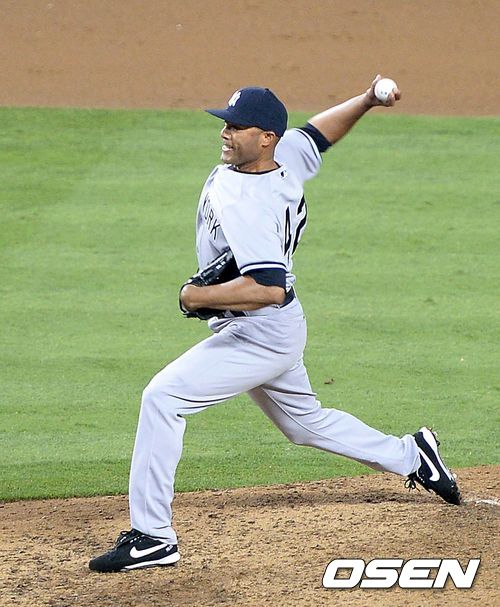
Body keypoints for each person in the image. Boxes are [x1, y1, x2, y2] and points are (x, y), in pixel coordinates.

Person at [89, 75, 461, 573]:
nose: (226, 133)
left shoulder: (248, 202)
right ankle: (413, 456)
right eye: (226, 123)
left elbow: (269, 287)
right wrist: (367, 99)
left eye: (237, 127)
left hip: (258, 332)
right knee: (305, 424)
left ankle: (153, 537)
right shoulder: (283, 157)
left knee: (163, 397)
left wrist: (195, 297)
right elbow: (319, 134)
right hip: (276, 329)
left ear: (265, 138)